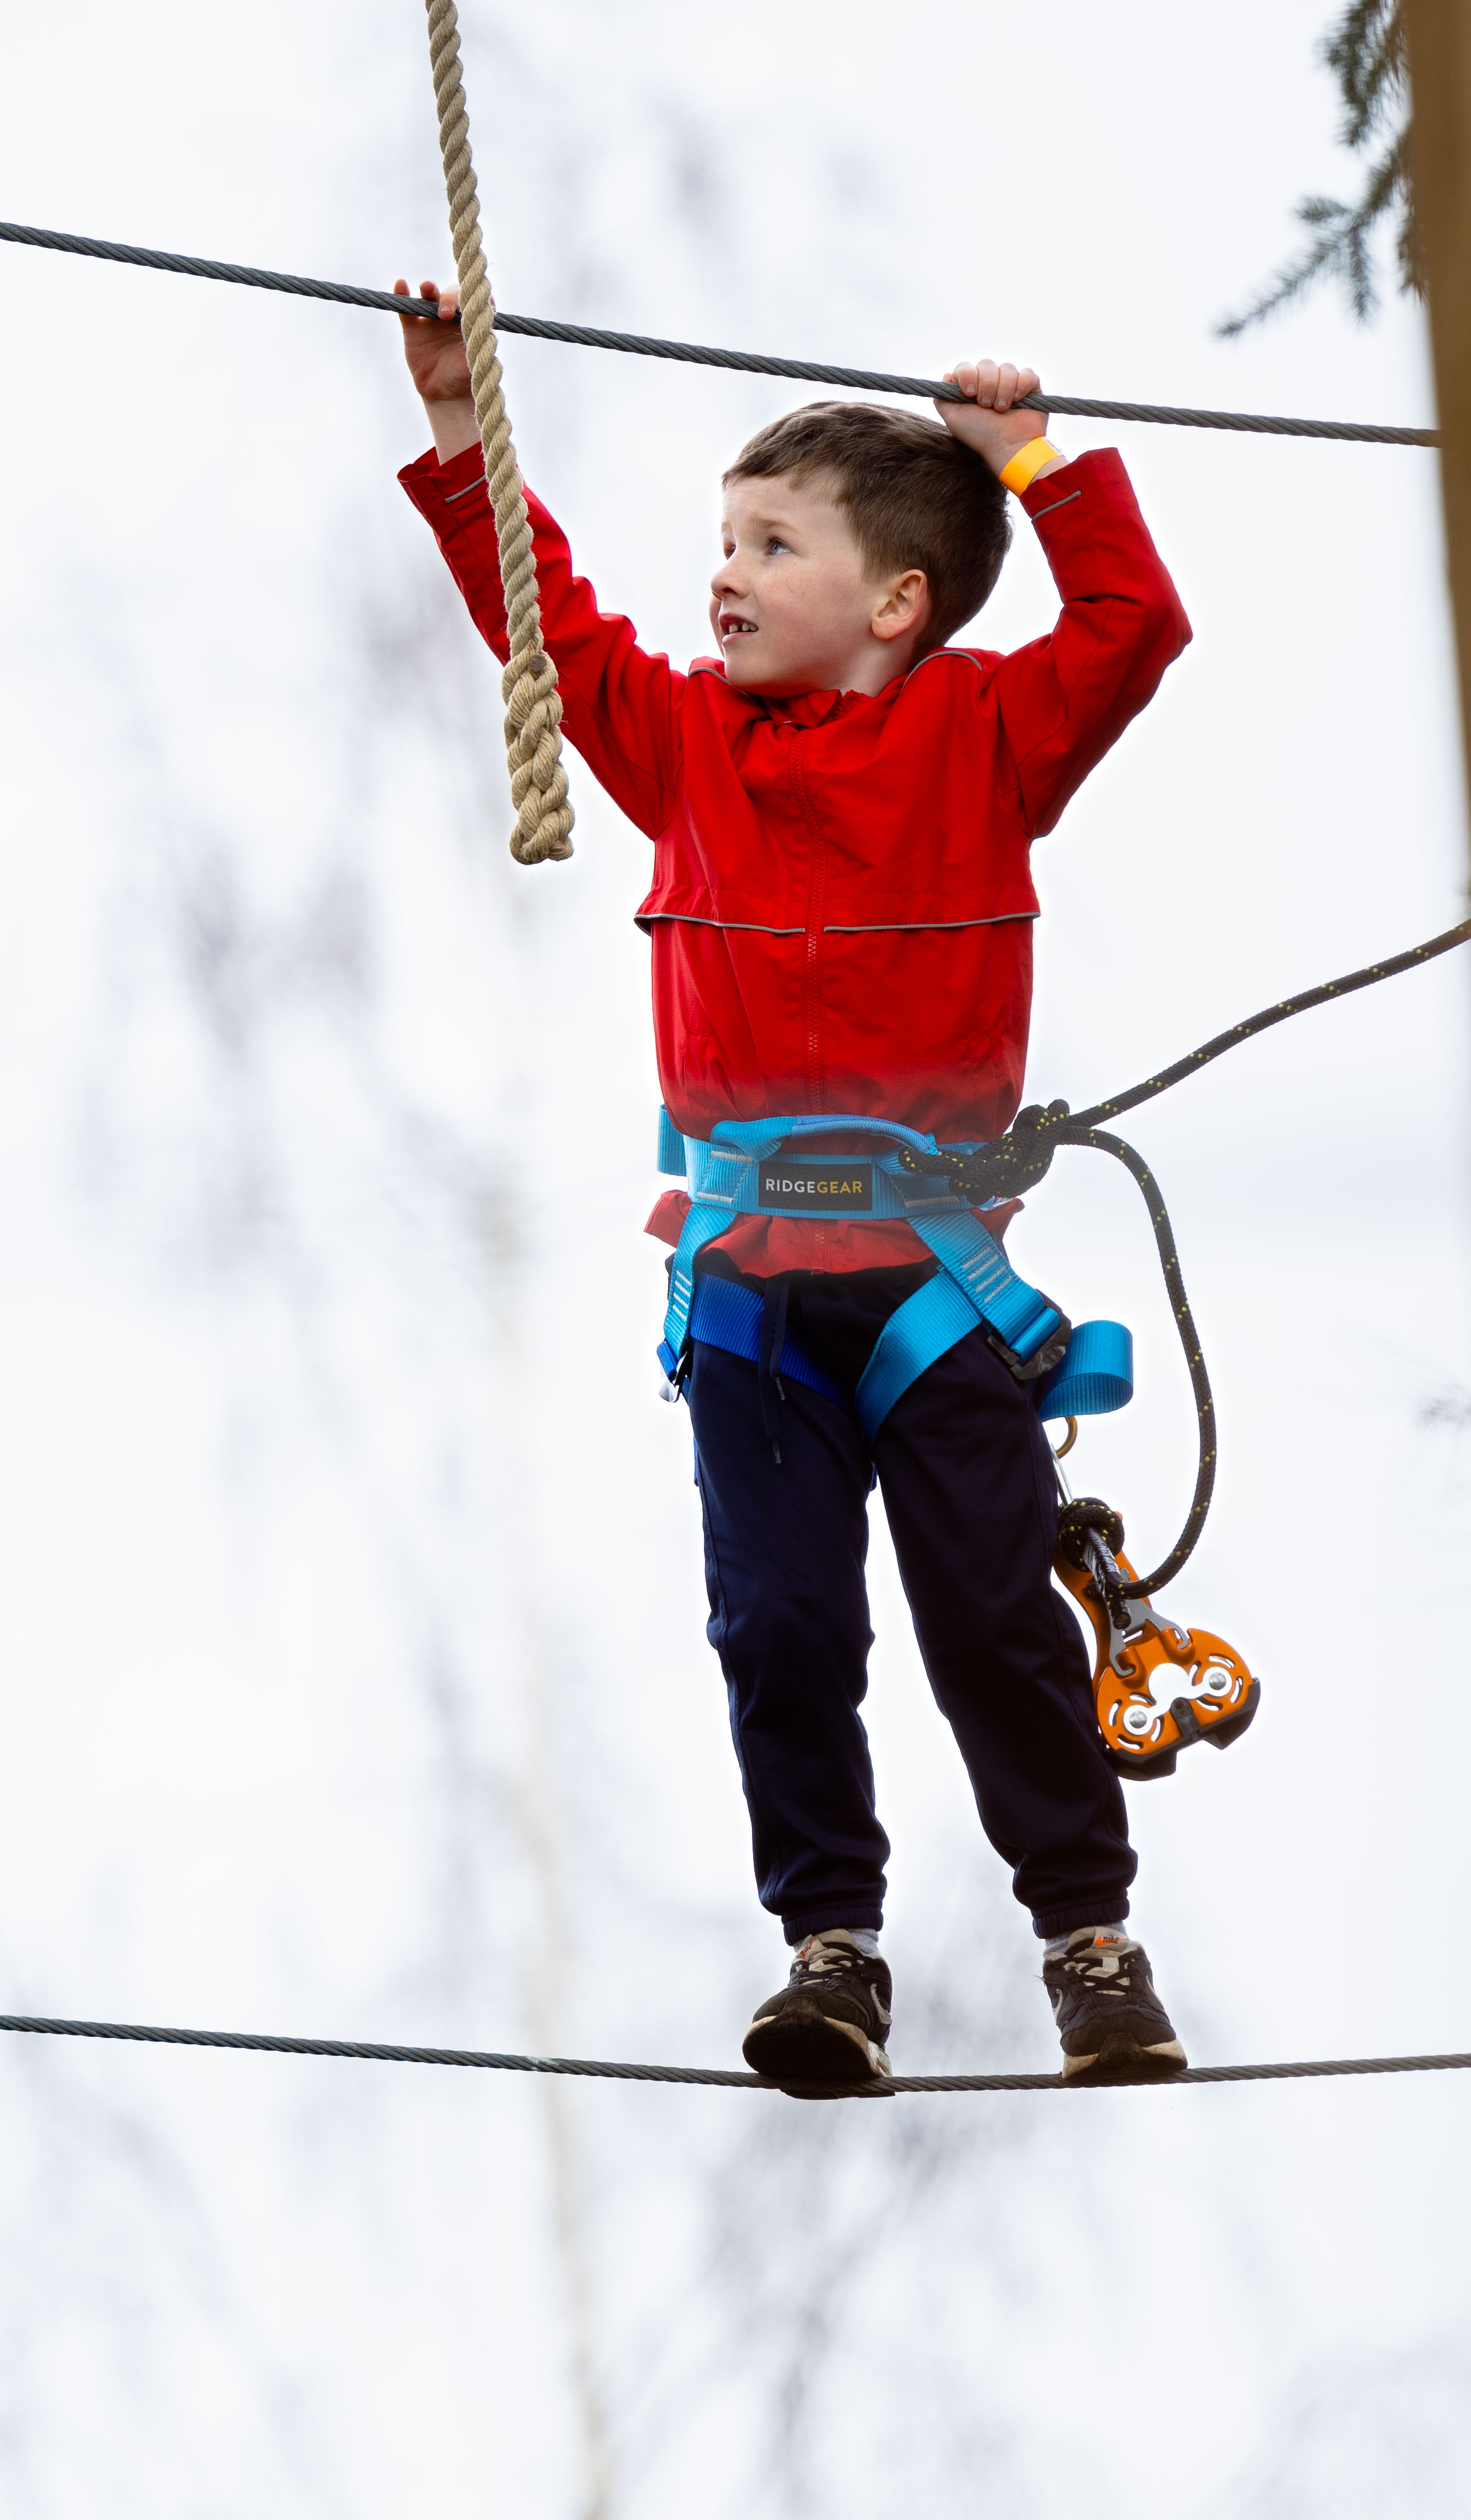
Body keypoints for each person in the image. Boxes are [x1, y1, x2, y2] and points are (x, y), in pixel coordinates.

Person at [393, 283, 1200, 2094]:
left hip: (931, 1289)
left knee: (991, 1622)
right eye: (723, 543)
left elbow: (1135, 626)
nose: (725, 577)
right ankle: (832, 1950)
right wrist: (459, 428)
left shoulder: (989, 738)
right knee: (781, 1626)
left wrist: (1032, 466)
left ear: (897, 602)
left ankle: (1088, 1940)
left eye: (772, 545)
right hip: (756, 1287)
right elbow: (547, 624)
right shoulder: (686, 747)